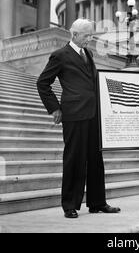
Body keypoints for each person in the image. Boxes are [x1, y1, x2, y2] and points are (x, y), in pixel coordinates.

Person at [37, 19, 120, 219]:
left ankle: (97, 202)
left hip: (93, 114)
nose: (90, 39)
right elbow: (43, 83)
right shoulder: (60, 55)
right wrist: (55, 109)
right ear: (74, 34)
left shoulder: (88, 54)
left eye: (91, 35)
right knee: (74, 159)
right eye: (86, 36)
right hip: (74, 115)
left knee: (95, 159)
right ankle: (70, 205)